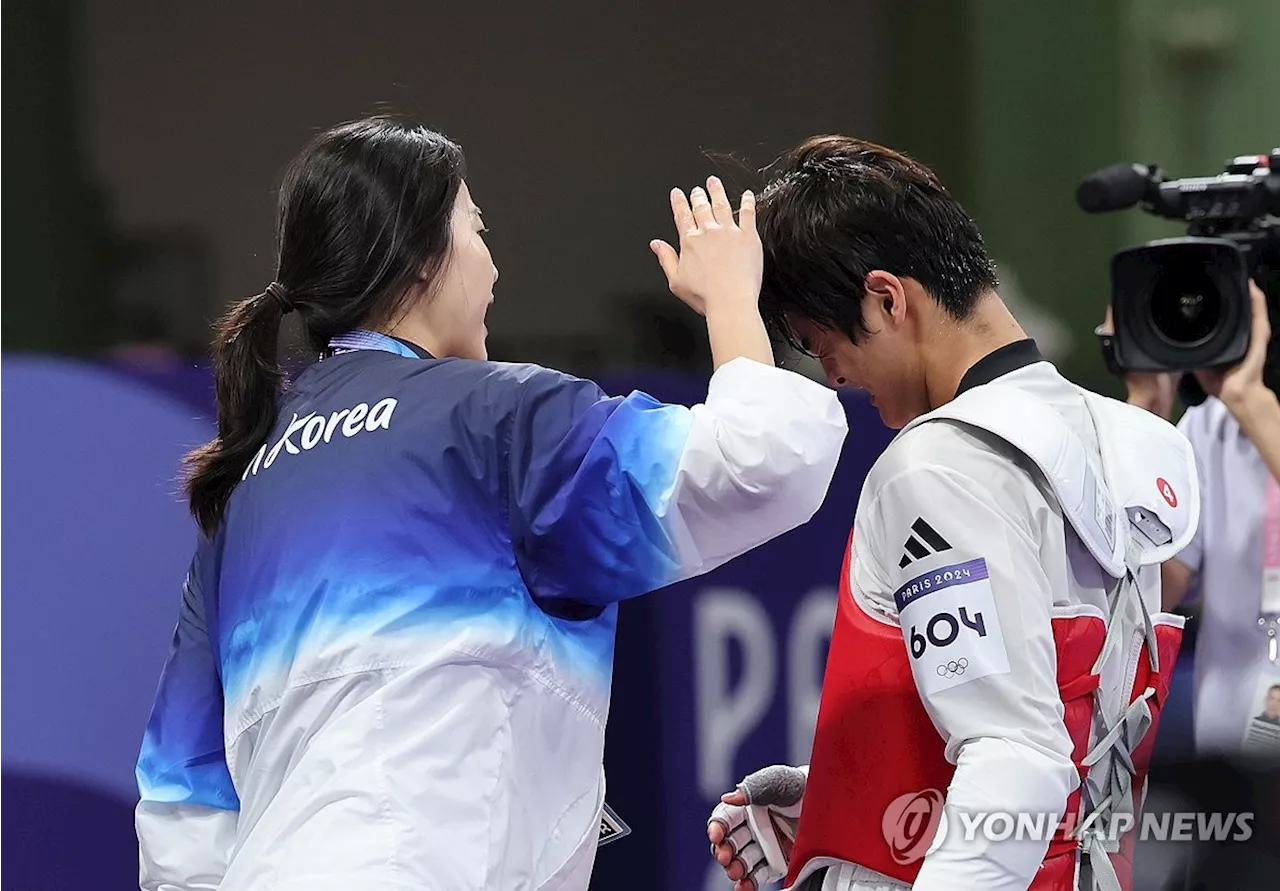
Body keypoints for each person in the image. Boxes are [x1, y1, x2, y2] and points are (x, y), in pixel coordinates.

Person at [133, 117, 849, 891]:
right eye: (476, 228)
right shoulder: (498, 420)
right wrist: (732, 300)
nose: (494, 266)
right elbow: (764, 458)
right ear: (419, 260)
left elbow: (181, 816)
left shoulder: (246, 490)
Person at [702, 136, 1200, 891]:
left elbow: (1017, 758)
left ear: (887, 298)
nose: (832, 374)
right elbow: (1064, 716)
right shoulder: (1130, 440)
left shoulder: (941, 462)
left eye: (819, 342)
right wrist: (852, 794)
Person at [1111, 278, 1280, 754]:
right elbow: (1148, 596)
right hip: (1236, 762)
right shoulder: (1214, 423)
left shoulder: (1245, 406)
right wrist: (1143, 419)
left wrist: (1252, 403)